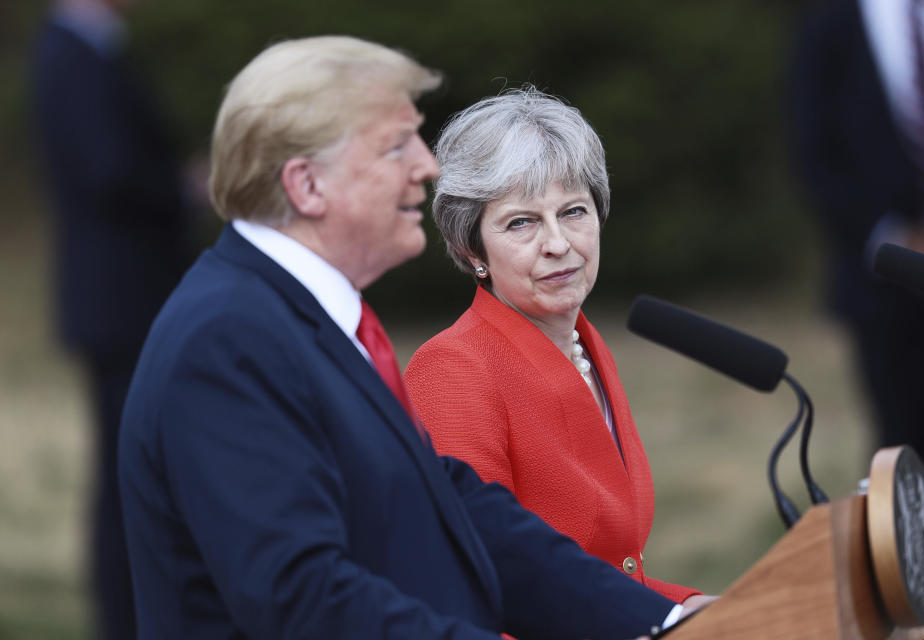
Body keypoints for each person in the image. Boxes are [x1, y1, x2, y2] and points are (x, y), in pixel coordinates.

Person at [117, 36, 707, 638]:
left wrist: (669, 617)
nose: (427, 167)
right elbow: (302, 598)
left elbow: (465, 517)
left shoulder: (302, 316)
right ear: (307, 185)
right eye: (396, 147)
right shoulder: (228, 339)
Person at [403, 87, 705, 607]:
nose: (558, 243)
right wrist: (666, 620)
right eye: (521, 222)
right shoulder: (452, 370)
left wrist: (693, 608)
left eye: (573, 212)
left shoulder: (586, 345)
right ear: (470, 248)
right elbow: (478, 574)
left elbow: (610, 570)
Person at [30, 0, 194, 637]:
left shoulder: (87, 48)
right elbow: (109, 172)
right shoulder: (73, 53)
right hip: (121, 300)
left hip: (118, 298)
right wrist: (182, 189)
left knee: (134, 468)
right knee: (130, 474)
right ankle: (125, 619)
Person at [788, 0, 924, 463]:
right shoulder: (829, 27)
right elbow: (813, 154)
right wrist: (902, 241)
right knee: (904, 445)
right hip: (883, 279)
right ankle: (908, 535)